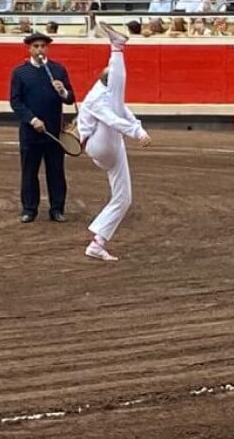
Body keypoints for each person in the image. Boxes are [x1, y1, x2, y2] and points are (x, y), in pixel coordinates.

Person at [76, 22, 153, 261]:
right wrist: (136, 133)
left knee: (124, 198)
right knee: (115, 106)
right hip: (97, 145)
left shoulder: (111, 98)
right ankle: (116, 48)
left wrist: (138, 128)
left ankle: (97, 243)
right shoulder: (97, 97)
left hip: (112, 143)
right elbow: (113, 118)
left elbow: (123, 112)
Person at [9, 33, 76, 223]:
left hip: (54, 131)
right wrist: (32, 119)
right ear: (29, 49)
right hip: (31, 131)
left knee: (56, 171)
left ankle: (57, 209)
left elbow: (71, 99)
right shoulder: (20, 72)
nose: (40, 50)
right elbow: (16, 101)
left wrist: (63, 91)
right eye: (36, 46)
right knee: (29, 172)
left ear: (47, 48)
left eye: (43, 46)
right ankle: (29, 209)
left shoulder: (58, 70)